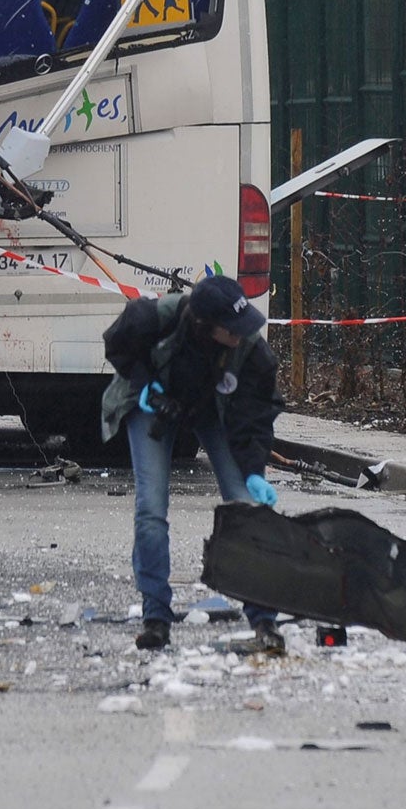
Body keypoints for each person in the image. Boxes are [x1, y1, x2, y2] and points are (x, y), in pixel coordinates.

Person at [101, 274, 284, 653]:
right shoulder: (152, 318)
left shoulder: (251, 350)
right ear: (205, 325)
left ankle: (264, 617)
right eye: (231, 329)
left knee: (244, 508)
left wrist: (253, 468)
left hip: (213, 412)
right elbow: (117, 344)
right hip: (155, 401)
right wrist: (145, 381)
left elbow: (255, 413)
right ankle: (156, 617)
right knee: (151, 508)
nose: (241, 334)